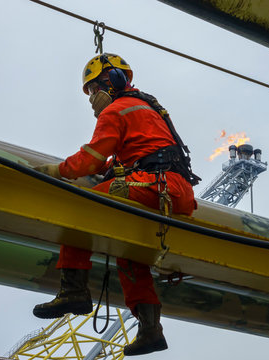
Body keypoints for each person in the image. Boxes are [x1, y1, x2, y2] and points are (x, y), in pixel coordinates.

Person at [32, 53, 198, 356]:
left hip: (154, 183)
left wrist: (58, 170)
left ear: (112, 82)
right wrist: (106, 168)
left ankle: (74, 289)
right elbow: (129, 154)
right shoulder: (150, 108)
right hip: (173, 190)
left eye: (94, 89)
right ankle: (151, 330)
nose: (92, 98)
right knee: (129, 255)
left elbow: (92, 157)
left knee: (82, 206)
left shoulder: (117, 110)